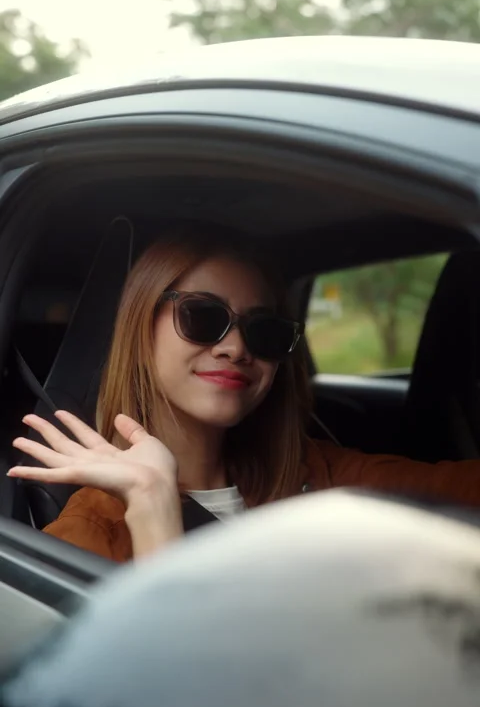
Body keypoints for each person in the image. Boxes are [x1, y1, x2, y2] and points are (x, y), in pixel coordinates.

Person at [7, 224, 480, 562]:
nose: (234, 348)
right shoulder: (92, 532)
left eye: (264, 331)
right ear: (140, 329)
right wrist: (154, 507)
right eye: (203, 317)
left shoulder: (318, 473)